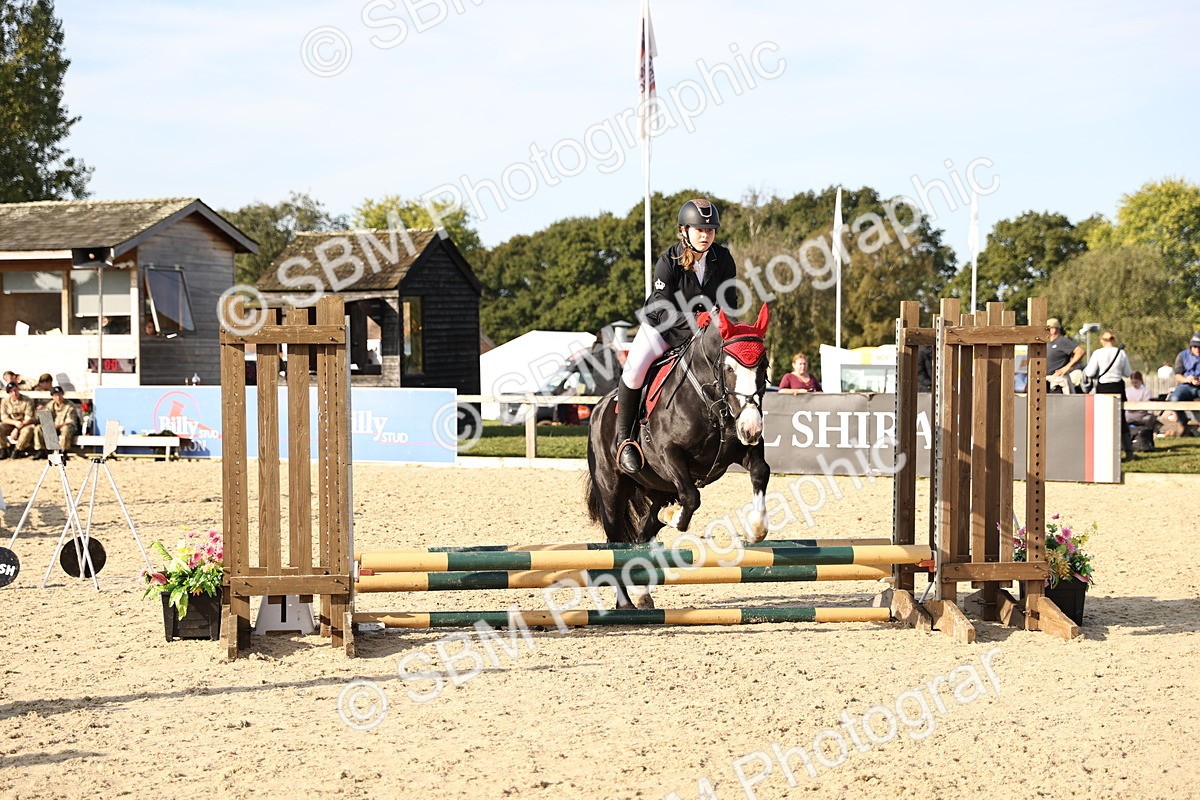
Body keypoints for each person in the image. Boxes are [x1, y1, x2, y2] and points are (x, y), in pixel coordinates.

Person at [615, 198, 739, 474]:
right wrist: (695, 322)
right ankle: (624, 440)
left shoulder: (723, 259)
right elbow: (661, 308)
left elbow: (730, 301)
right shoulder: (668, 261)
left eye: (710, 230)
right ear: (684, 231)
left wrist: (723, 325)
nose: (705, 235)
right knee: (634, 370)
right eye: (699, 230)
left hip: (707, 332)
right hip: (663, 327)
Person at [1082, 331, 1133, 459]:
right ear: (1114, 339)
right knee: (1121, 419)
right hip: (1118, 386)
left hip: (1103, 387)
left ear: (1101, 340)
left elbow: (1089, 372)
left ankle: (1105, 450)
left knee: (1103, 420)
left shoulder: (1098, 353)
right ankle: (1128, 450)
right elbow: (1127, 373)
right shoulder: (1121, 353)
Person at [1166, 331, 1200, 436]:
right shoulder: (1182, 356)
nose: (1197, 349)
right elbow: (1177, 375)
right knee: (1173, 399)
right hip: (1186, 386)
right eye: (1195, 346)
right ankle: (1182, 420)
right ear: (1191, 346)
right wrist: (1187, 379)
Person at [32, 385, 81, 456]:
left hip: (65, 426)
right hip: (54, 427)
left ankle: (63, 451)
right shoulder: (50, 405)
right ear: (52, 397)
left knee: (66, 429)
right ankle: (41, 450)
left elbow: (70, 421)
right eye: (55, 395)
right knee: (38, 428)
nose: (58, 397)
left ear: (62, 394)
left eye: (59, 395)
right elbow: (45, 418)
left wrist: (58, 426)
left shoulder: (69, 405)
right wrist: (40, 412)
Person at [1045, 318, 1085, 394]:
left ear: (1053, 330)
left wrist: (1067, 367)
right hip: (1046, 381)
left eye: (1047, 329)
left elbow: (1080, 351)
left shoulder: (1062, 341)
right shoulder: (1048, 343)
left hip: (1057, 382)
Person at [0, 381, 37, 459]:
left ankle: (17, 450)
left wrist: (17, 428)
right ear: (9, 393)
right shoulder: (5, 402)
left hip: (25, 424)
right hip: (11, 424)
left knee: (29, 429)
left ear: (18, 390)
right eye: (11, 391)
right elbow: (4, 418)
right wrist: (15, 423)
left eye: (15, 390)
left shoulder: (27, 400)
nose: (14, 393)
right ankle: (4, 449)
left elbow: (28, 418)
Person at [1124, 371, 1158, 451]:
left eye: (1136, 382)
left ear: (1140, 380)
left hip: (1141, 413)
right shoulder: (1128, 390)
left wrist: (1136, 408)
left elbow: (1146, 404)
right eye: (1132, 382)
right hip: (1129, 413)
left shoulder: (1146, 390)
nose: (1134, 384)